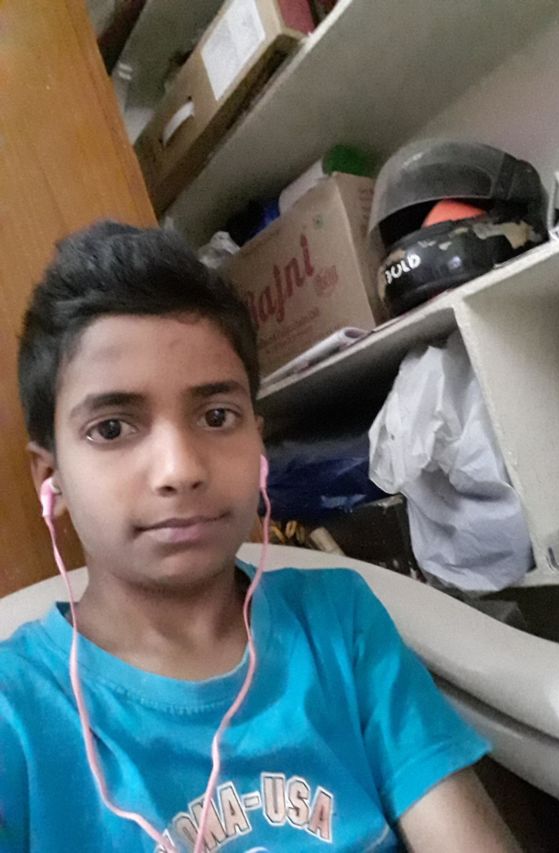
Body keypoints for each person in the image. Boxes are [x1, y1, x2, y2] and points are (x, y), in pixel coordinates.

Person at [0, 222, 519, 851]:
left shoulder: (337, 623)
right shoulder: (16, 713)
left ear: (258, 441)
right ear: (50, 479)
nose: (181, 470)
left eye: (217, 416)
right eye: (112, 429)